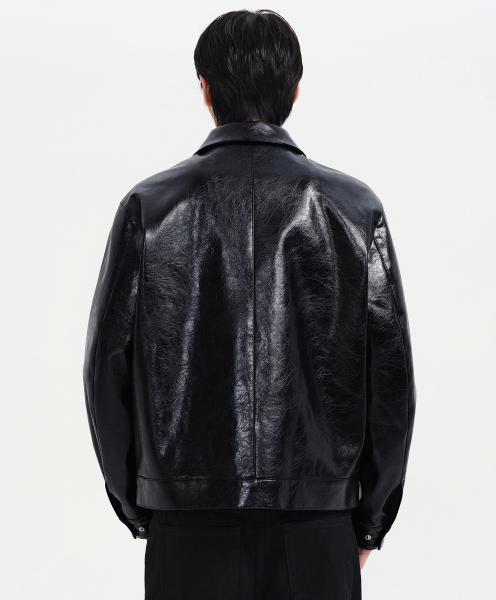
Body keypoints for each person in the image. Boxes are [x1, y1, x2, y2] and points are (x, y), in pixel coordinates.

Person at [83, 9, 416, 600]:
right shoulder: (354, 208)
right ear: (295, 89)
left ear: (206, 89)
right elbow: (391, 384)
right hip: (319, 526)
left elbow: (105, 371)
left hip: (187, 523)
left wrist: (141, 501)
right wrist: (369, 522)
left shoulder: (150, 207)